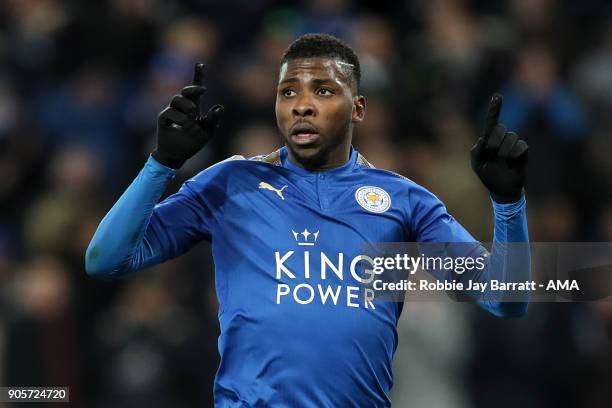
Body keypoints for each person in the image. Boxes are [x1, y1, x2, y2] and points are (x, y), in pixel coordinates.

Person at [86, 33, 530, 407]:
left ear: (357, 108)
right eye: (288, 91)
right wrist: (160, 164)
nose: (301, 104)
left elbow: (508, 299)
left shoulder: (403, 200)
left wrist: (508, 203)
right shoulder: (230, 184)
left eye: (322, 90)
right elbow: (105, 260)